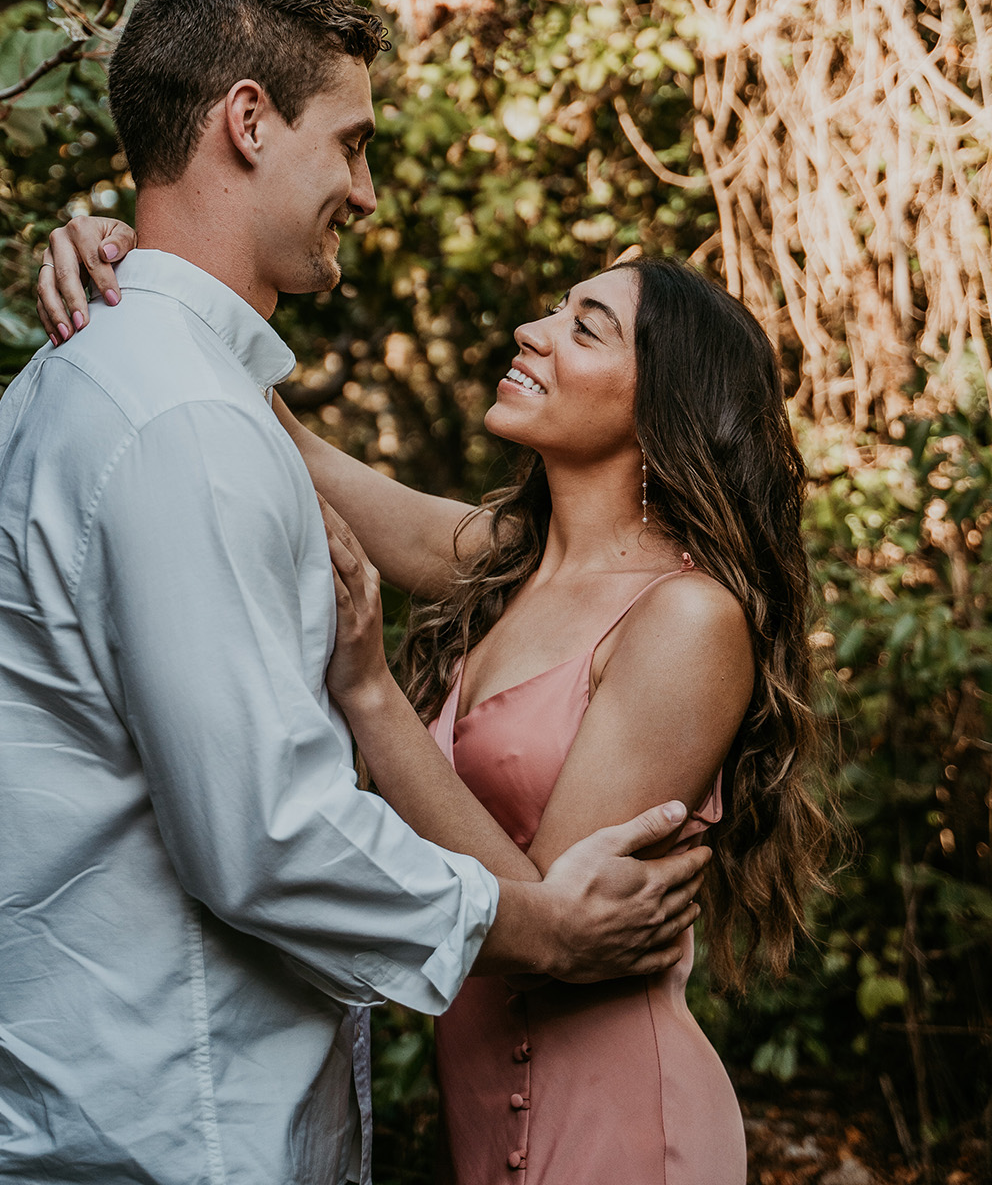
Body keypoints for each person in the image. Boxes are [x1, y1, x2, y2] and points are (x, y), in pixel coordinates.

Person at [0, 0, 710, 1185]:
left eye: (587, 323)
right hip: (167, 1123)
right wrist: (536, 928)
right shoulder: (183, 415)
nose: (365, 187)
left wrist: (147, 281)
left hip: (154, 1107)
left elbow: (391, 520)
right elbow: (266, 835)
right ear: (247, 120)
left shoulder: (131, 385)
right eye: (350, 143)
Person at [46, 222, 831, 1185]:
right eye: (554, 309)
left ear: (662, 405)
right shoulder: (507, 562)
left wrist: (371, 692)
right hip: (484, 1134)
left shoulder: (687, 620)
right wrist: (137, 268)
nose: (532, 330)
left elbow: (544, 922)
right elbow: (293, 447)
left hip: (628, 1126)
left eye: (584, 329)